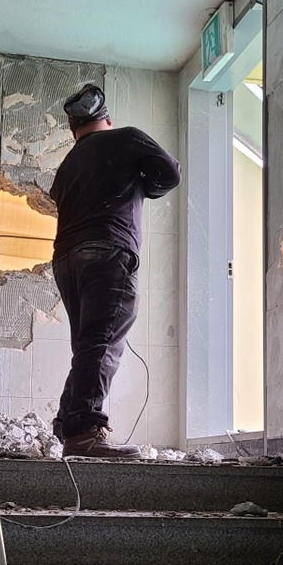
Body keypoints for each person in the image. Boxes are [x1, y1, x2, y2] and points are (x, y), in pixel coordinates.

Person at [50, 84, 181, 459]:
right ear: (107, 119)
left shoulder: (66, 166)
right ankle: (84, 430)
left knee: (88, 343)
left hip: (66, 259)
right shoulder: (125, 138)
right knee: (103, 341)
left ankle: (68, 422)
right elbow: (170, 174)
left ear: (74, 130)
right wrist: (142, 186)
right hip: (108, 251)